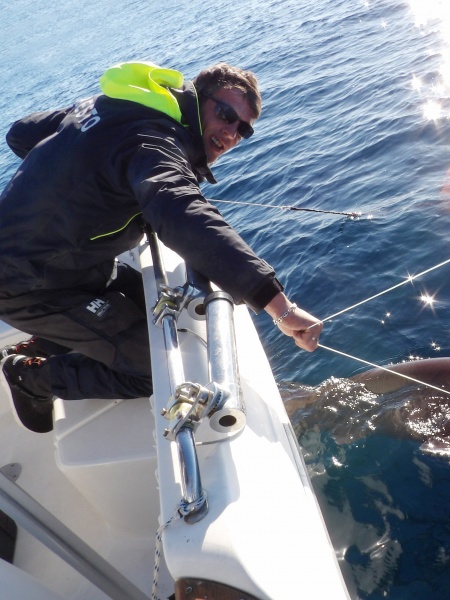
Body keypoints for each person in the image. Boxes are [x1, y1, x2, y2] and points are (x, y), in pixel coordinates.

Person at [0, 61, 322, 433]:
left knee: (162, 320)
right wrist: (279, 307)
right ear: (198, 99)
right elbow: (180, 210)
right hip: (26, 283)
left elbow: (21, 133)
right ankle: (29, 377)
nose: (231, 132)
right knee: (160, 371)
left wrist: (87, 181)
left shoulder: (120, 104)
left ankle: (49, 339)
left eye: (243, 130)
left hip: (73, 264)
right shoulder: (153, 142)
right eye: (225, 114)